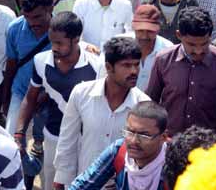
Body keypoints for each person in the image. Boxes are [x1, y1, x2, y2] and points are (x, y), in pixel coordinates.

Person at [14, 12, 104, 190]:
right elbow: (30, 98)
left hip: (85, 140)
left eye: (59, 43)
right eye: (52, 41)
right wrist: (19, 133)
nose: (54, 47)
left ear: (76, 39)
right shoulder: (41, 61)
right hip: (54, 135)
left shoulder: (97, 66)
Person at [54, 36, 150, 188]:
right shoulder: (81, 93)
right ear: (109, 67)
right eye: (126, 65)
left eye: (136, 65)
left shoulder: (144, 105)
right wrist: (61, 180)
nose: (134, 71)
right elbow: (67, 140)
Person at [146, 6, 216, 138]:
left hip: (208, 147)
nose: (198, 51)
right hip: (169, 141)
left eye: (204, 44)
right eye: (192, 45)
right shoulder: (163, 60)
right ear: (179, 35)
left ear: (210, 37)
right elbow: (152, 102)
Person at [66, 101, 170, 190]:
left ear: (163, 137)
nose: (134, 141)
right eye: (130, 132)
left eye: (144, 135)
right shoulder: (119, 150)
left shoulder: (175, 163)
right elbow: (83, 185)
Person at [2, 0, 54, 133]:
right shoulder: (14, 29)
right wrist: (6, 101)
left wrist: (45, 95)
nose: (32, 23)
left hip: (52, 96)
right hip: (21, 92)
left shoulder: (62, 31)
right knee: (11, 138)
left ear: (50, 9)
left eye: (37, 16)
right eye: (27, 17)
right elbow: (11, 65)